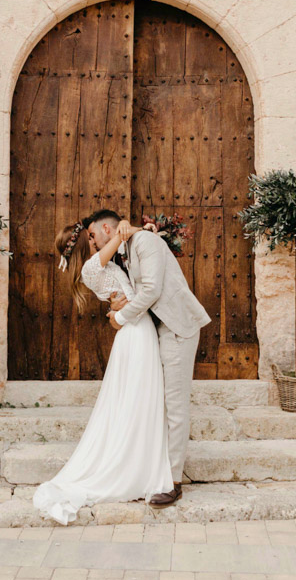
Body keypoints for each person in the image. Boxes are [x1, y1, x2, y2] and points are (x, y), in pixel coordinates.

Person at [31, 216, 174, 524]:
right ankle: (136, 466)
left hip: (135, 330)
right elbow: (119, 239)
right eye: (92, 237)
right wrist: (127, 228)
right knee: (138, 399)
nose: (96, 239)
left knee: (138, 400)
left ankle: (139, 461)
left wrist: (140, 230)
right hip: (134, 333)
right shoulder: (91, 268)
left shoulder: (103, 267)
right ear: (86, 243)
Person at [87, 209, 211, 509]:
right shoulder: (131, 246)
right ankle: (155, 469)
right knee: (159, 403)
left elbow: (153, 289)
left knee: (175, 405)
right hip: (158, 331)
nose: (93, 241)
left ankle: (174, 481)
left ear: (107, 228)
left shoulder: (144, 242)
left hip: (177, 328)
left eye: (93, 234)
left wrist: (120, 316)